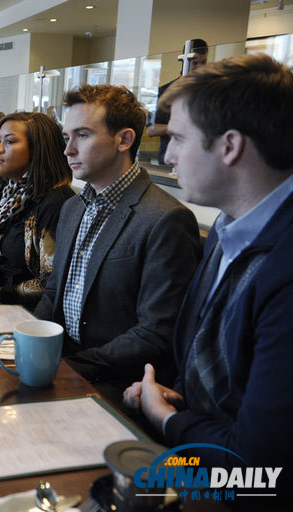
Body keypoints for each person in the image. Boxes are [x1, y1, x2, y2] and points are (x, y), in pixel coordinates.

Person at [123, 53, 293, 501]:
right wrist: (168, 395)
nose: (169, 155)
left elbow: (260, 473)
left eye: (178, 138)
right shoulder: (227, 225)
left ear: (230, 146)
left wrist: (168, 419)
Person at [33, 84, 201, 401]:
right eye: (66, 137)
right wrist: (28, 343)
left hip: (119, 384)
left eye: (82, 136)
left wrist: (70, 367)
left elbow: (156, 332)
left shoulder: (165, 219)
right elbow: (54, 291)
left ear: (123, 139)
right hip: (64, 365)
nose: (68, 150)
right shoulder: (72, 207)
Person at [0, 113, 75, 308]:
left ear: (39, 149)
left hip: (27, 317)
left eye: (10, 142)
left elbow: (49, 284)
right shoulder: (5, 193)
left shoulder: (56, 203)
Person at [146, 39, 208, 165]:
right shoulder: (166, 91)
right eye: (195, 63)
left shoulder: (210, 93)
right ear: (185, 61)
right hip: (169, 160)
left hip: (200, 160)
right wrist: (181, 127)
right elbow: (151, 130)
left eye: (204, 62)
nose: (200, 68)